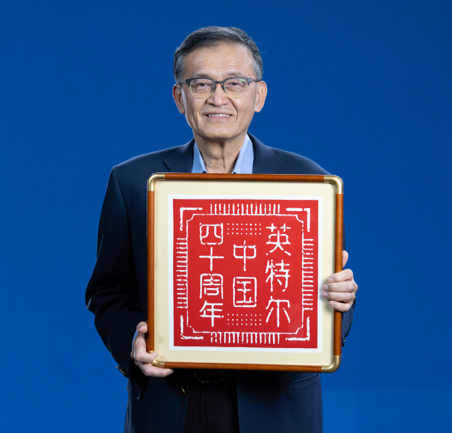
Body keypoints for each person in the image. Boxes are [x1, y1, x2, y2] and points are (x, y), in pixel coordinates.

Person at [86, 26, 358, 433]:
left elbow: (331, 300)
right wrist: (132, 342)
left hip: (275, 408)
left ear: (259, 95)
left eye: (235, 83)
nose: (218, 98)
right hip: (170, 404)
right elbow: (107, 291)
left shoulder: (310, 183)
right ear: (179, 97)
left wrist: (341, 300)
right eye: (201, 84)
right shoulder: (133, 182)